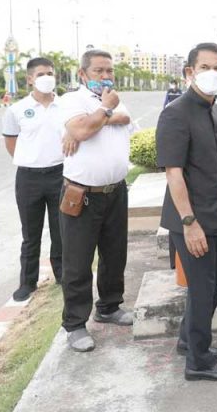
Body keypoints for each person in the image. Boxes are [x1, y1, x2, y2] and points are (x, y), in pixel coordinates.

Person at [157, 42, 217, 382]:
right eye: (204, 67)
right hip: (191, 219)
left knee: (212, 285)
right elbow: (174, 173)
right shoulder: (176, 113)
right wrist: (189, 223)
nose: (212, 73)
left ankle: (188, 341)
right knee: (202, 289)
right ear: (189, 72)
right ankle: (199, 361)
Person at [58, 49, 134, 352]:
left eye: (109, 70)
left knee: (115, 254)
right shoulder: (72, 100)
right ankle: (75, 324)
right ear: (82, 74)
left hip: (115, 191)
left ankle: (109, 306)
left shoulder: (112, 98)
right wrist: (102, 113)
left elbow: (125, 118)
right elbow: (80, 130)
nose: (105, 76)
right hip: (82, 194)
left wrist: (98, 118)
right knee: (78, 261)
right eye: (98, 71)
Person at [2, 57, 67, 301]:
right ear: (30, 79)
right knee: (31, 234)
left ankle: (62, 274)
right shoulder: (17, 110)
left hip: (60, 174)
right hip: (29, 178)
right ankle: (28, 282)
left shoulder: (65, 106)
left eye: (50, 73)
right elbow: (11, 143)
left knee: (61, 230)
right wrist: (31, 160)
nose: (46, 78)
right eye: (40, 74)